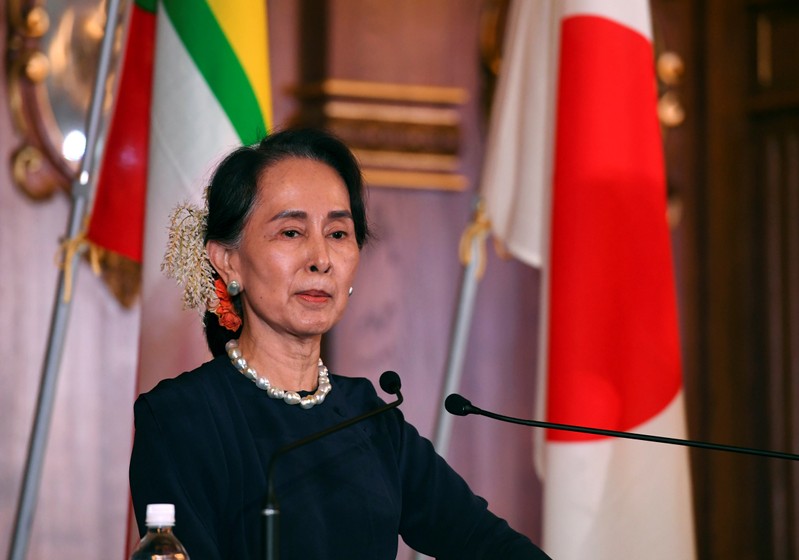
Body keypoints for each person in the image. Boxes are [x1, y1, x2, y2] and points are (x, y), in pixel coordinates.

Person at [129, 128, 550, 559]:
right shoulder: (180, 419)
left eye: (337, 234)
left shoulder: (369, 418)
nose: (321, 259)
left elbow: (485, 544)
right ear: (228, 260)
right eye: (291, 232)